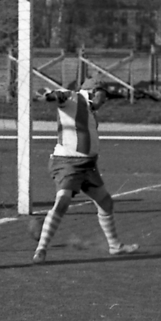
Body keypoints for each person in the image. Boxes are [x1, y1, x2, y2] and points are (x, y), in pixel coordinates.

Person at [32, 77, 138, 264]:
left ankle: (115, 246)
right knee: (63, 202)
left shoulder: (89, 111)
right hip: (67, 162)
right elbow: (48, 94)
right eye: (104, 96)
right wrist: (46, 95)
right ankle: (41, 249)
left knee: (105, 202)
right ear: (95, 91)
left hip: (88, 165)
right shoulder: (72, 98)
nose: (105, 101)